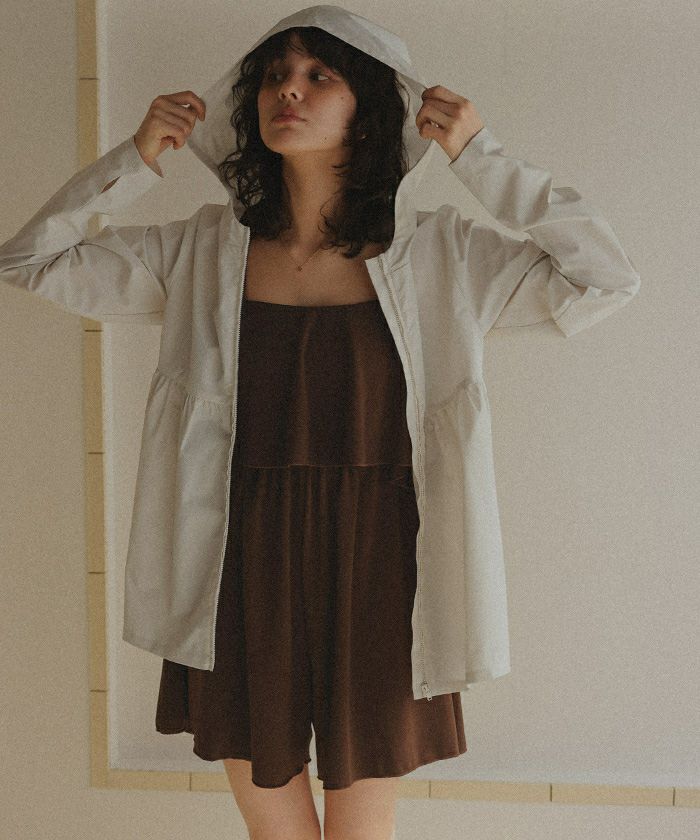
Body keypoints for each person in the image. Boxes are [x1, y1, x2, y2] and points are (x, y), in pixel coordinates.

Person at [0, 6, 641, 840]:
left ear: (367, 109)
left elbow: (604, 279)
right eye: (274, 77)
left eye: (317, 76)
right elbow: (31, 261)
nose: (288, 92)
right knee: (274, 828)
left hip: (385, 562)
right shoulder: (201, 251)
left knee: (360, 830)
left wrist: (481, 157)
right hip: (234, 553)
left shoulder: (441, 254)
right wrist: (134, 160)